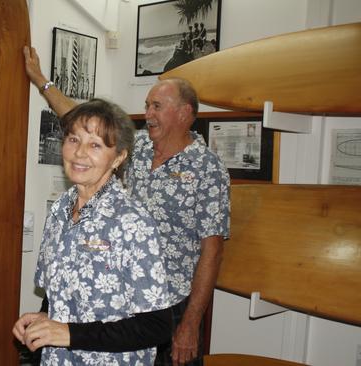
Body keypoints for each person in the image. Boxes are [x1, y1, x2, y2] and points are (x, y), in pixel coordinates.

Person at [22, 46, 230, 366]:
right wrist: (41, 81)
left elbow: (212, 250)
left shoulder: (207, 168)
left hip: (166, 304)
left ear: (185, 113)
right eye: (147, 105)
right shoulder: (137, 148)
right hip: (100, 305)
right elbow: (81, 123)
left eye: (157, 106)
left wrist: (190, 323)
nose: (147, 114)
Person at [13, 99, 173, 365]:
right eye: (74, 140)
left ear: (119, 157)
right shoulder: (60, 211)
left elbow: (157, 326)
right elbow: (58, 296)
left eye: (95, 145)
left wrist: (69, 333)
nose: (79, 153)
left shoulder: (132, 222)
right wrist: (45, 319)